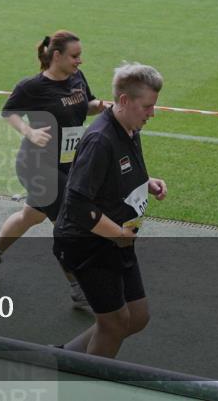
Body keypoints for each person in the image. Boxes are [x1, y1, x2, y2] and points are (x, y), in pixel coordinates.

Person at [0, 31, 109, 309]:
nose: (80, 61)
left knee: (32, 215)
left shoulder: (77, 79)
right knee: (67, 221)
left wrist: (103, 107)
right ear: (57, 56)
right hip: (36, 165)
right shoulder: (32, 86)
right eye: (74, 56)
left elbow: (85, 106)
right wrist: (29, 131)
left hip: (66, 164)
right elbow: (9, 112)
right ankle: (78, 288)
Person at [52, 62, 168, 358]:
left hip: (116, 239)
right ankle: (85, 384)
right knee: (115, 324)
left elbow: (118, 172)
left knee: (137, 316)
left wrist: (147, 181)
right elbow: (77, 204)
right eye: (148, 106)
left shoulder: (129, 126)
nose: (152, 113)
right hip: (87, 243)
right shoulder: (100, 139)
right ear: (125, 101)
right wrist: (117, 234)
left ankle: (65, 357)